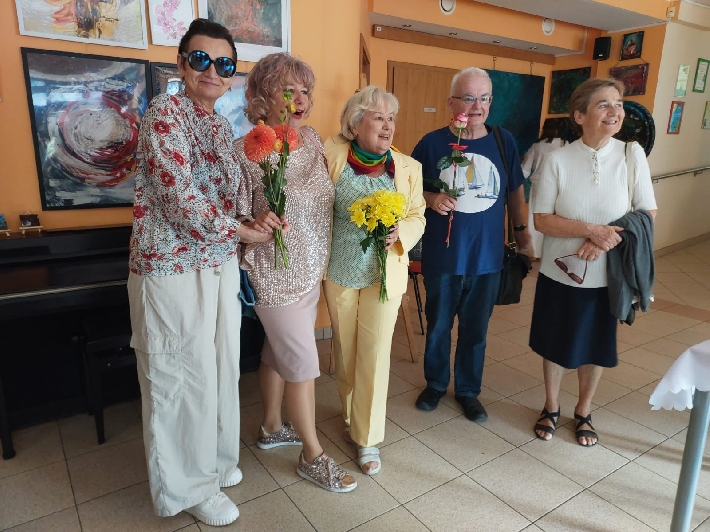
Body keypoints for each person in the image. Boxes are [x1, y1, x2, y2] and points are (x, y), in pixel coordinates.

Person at [128, 19, 272, 527]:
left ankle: (216, 461)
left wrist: (255, 219)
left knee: (218, 369)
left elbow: (224, 200)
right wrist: (241, 231)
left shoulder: (219, 125)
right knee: (180, 376)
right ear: (182, 64)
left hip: (217, 263)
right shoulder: (164, 113)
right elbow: (179, 197)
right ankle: (188, 487)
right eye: (201, 59)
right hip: (170, 266)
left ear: (232, 74)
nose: (213, 70)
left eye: (224, 63)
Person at [233, 53, 357, 493]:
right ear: (262, 97)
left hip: (310, 268)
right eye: (289, 91)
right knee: (304, 365)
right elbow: (235, 218)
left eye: (306, 91)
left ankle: (270, 427)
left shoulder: (313, 140)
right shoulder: (245, 151)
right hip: (275, 273)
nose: (301, 99)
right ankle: (312, 455)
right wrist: (256, 223)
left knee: (276, 352)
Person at [530, 78, 657, 446]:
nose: (615, 111)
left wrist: (602, 241)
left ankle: (584, 410)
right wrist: (590, 230)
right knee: (555, 341)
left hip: (608, 275)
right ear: (579, 115)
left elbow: (647, 213)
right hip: (560, 271)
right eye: (604, 104)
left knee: (597, 344)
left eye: (618, 104)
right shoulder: (557, 160)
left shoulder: (631, 155)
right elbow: (542, 219)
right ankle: (551, 405)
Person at [411, 67, 531, 422]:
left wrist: (523, 238)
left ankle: (467, 391)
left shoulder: (503, 141)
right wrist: (431, 197)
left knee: (476, 331)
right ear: (451, 103)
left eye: (484, 98)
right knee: (438, 327)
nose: (476, 106)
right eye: (468, 97)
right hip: (442, 257)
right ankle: (435, 384)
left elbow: (515, 193)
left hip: (487, 258)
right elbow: (407, 191)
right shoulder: (431, 144)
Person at [323, 86, 425, 475]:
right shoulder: (330, 154)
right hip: (340, 270)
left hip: (384, 273)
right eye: (379, 117)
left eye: (391, 118)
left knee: (376, 353)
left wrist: (401, 233)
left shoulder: (408, 167)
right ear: (355, 123)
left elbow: (418, 214)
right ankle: (351, 416)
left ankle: (368, 438)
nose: (388, 126)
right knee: (347, 351)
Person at [521, 119, 567, 259]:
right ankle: (551, 252)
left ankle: (534, 252)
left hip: (538, 185)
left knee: (535, 217)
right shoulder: (565, 145)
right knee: (556, 218)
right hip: (559, 187)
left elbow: (525, 170)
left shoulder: (536, 146)